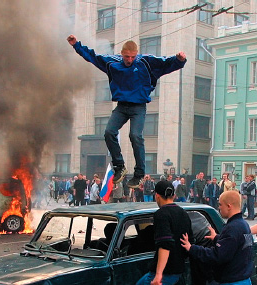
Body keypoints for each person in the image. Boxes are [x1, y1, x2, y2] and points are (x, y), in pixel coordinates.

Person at [67, 35, 187, 189]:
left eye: (132, 57)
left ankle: (139, 174)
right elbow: (93, 57)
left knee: (135, 135)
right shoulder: (112, 62)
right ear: (121, 54)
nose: (129, 60)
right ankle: (119, 166)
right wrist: (76, 45)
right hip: (122, 106)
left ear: (136, 55)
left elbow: (165, 63)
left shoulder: (145, 62)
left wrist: (179, 60)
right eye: (126, 57)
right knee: (109, 132)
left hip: (139, 106)